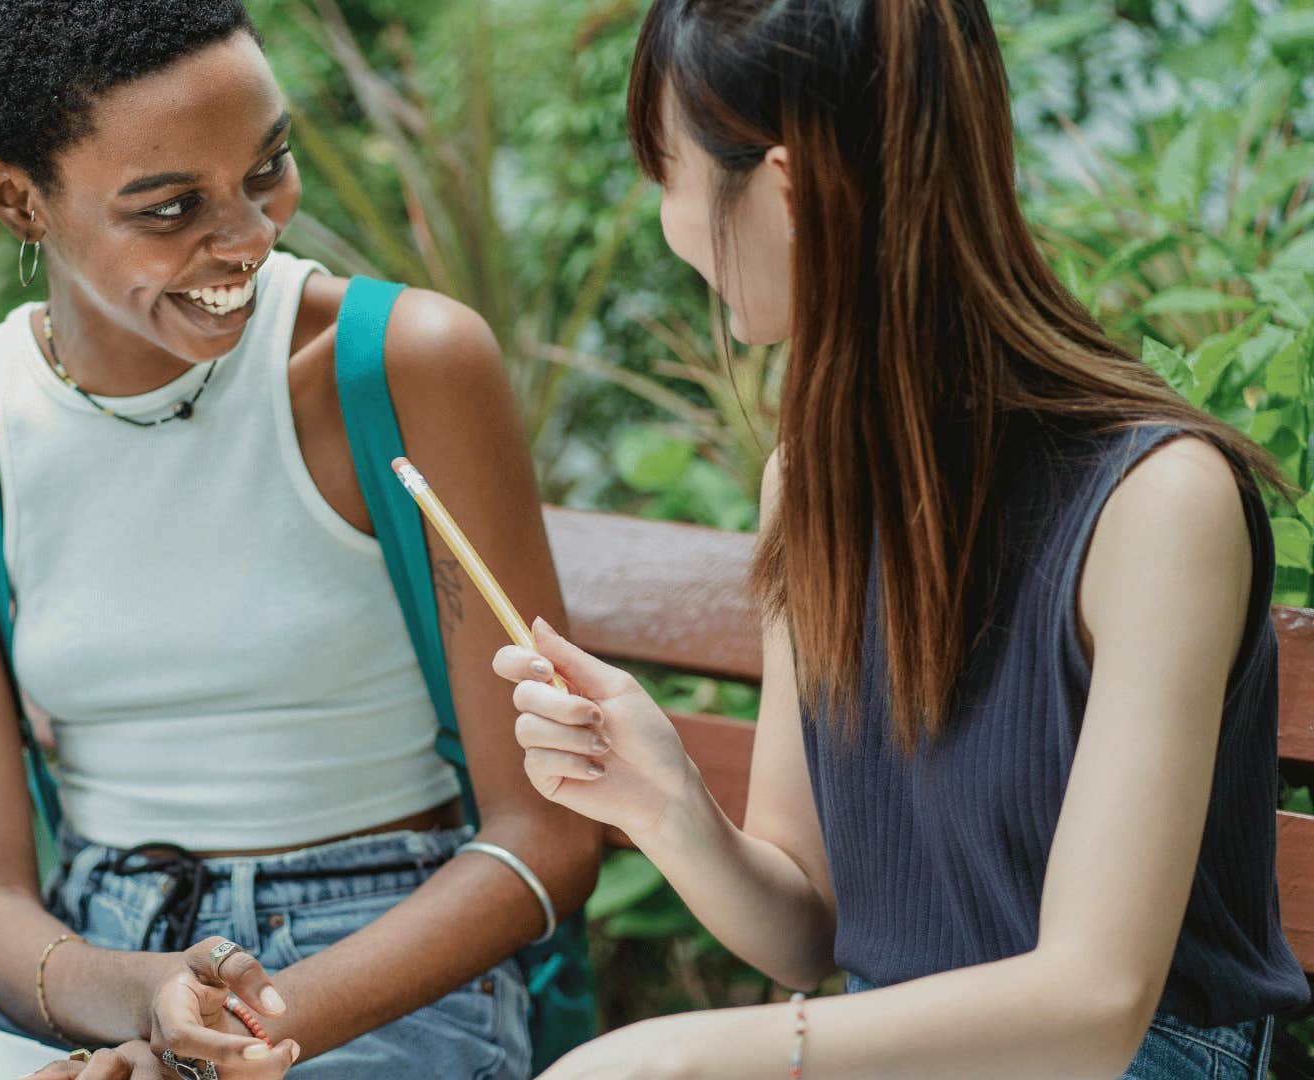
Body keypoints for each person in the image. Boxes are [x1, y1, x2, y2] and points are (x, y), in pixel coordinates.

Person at [491, 1, 1309, 1077]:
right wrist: (665, 800)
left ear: (785, 191)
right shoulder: (814, 482)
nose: (668, 221)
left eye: (668, 170)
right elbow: (809, 927)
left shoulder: (1157, 504)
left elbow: (1096, 1002)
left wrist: (679, 1056)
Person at [0, 2, 604, 1077]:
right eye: (170, 208)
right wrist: (137, 1006)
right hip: (96, 961)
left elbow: (546, 840)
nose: (250, 235)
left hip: (385, 960)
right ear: (18, 198)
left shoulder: (399, 367)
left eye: (269, 168)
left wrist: (224, 1032)